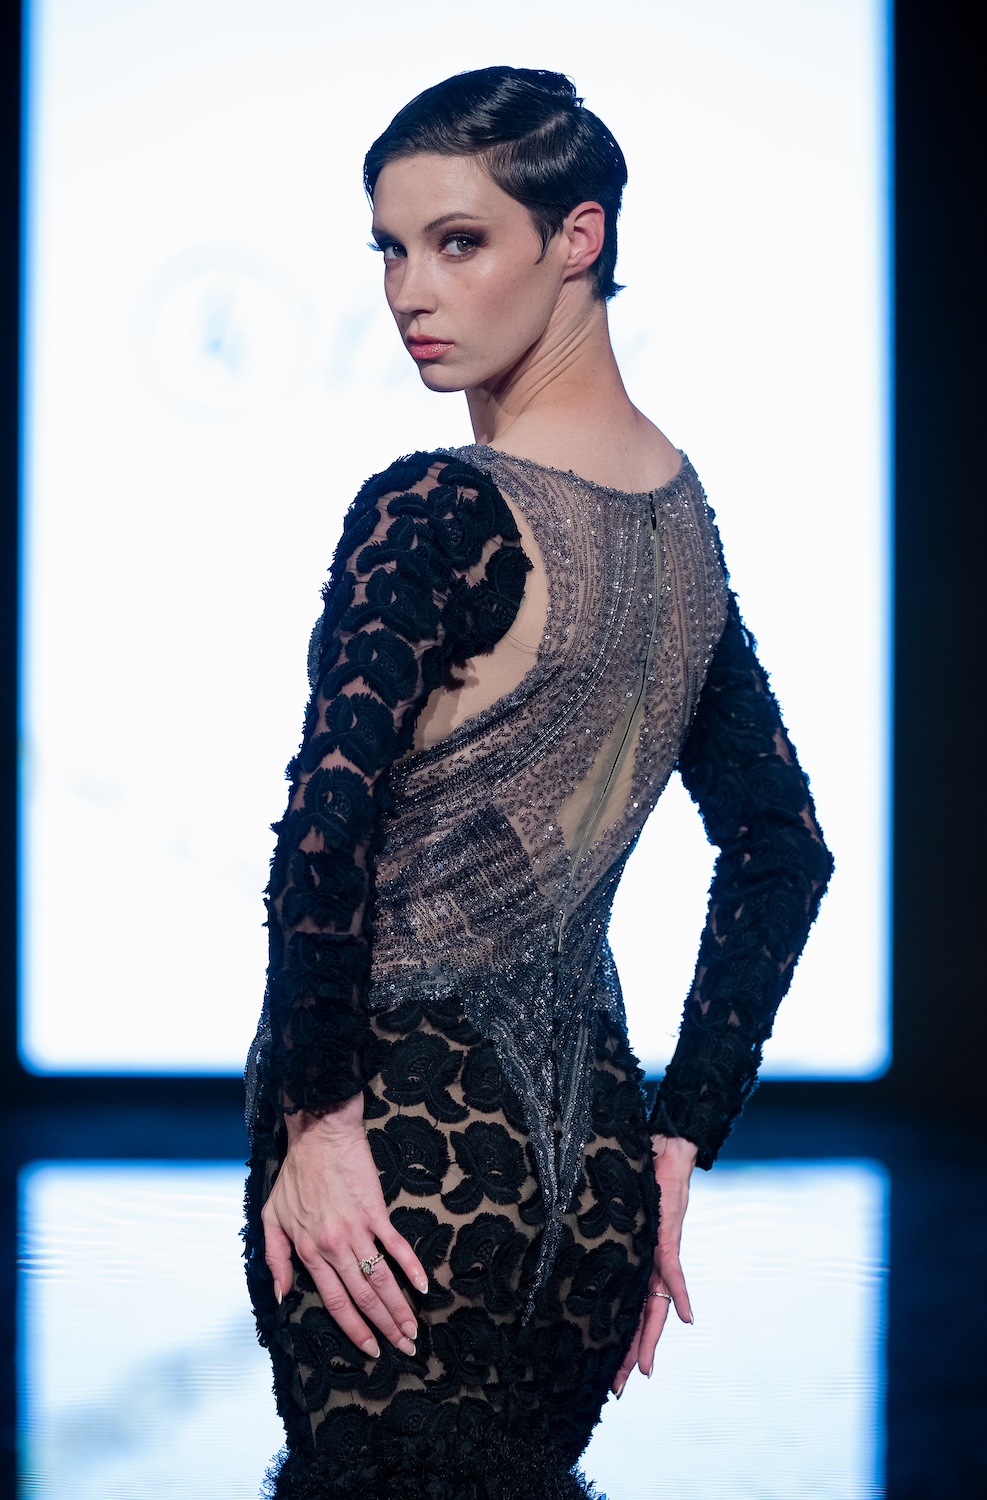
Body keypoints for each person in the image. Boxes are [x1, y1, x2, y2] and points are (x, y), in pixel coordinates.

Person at [243, 65, 833, 1500]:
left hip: (400, 1156)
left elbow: (325, 835)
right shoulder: (682, 527)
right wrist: (676, 1139)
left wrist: (319, 1124)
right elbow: (782, 848)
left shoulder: (438, 510)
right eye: (390, 248)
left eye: (459, 242)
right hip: (596, 1178)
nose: (409, 292)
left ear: (579, 237)